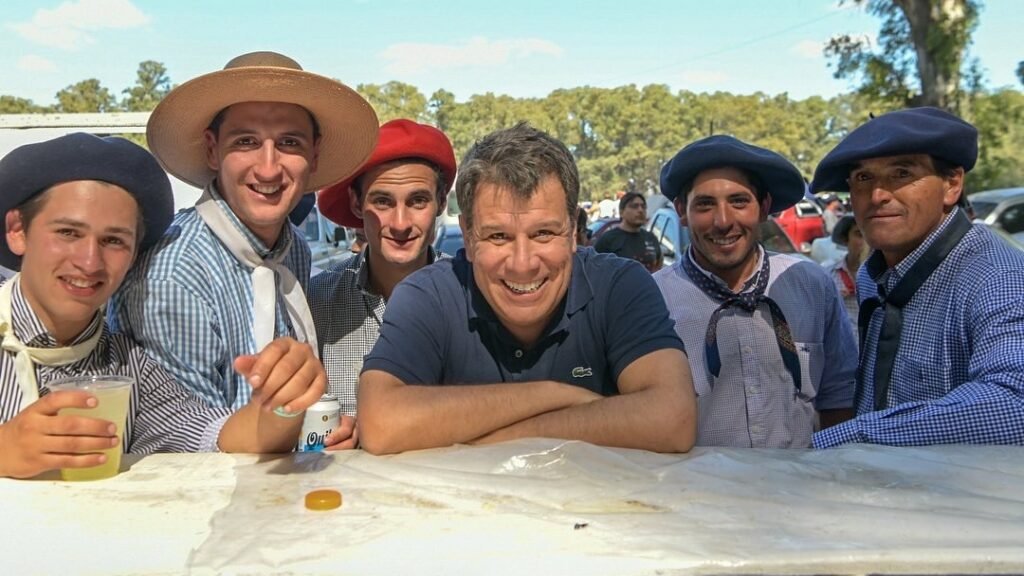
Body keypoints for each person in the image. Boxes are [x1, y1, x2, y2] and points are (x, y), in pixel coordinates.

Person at [0, 134, 328, 479]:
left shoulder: (130, 365)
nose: (89, 261)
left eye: (114, 240)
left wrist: (284, 400)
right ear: (18, 231)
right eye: (68, 233)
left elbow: (218, 436)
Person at [356, 123, 697, 455]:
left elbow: (673, 419)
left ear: (573, 230)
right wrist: (557, 395)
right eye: (498, 236)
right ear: (469, 236)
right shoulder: (427, 295)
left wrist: (491, 438)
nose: (523, 264)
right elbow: (381, 422)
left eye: (543, 234)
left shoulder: (619, 284)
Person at [110, 51, 377, 423]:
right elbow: (186, 447)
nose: (268, 169)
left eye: (290, 143)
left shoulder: (292, 249)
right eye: (246, 141)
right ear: (211, 150)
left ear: (313, 156)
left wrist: (317, 429)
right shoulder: (172, 277)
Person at [809, 107, 1024, 448]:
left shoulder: (998, 277)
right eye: (863, 178)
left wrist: (857, 435)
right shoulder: (873, 274)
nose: (878, 194)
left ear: (952, 184)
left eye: (901, 173)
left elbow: (1015, 404)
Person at [654, 135, 857, 448]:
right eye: (705, 204)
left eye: (739, 202)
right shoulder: (654, 301)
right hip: (695, 492)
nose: (723, 221)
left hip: (798, 487)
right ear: (682, 210)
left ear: (763, 208)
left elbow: (839, 395)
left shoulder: (811, 285)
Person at [308, 119, 456, 417]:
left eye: (417, 201)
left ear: (441, 203)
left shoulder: (472, 293)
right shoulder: (317, 302)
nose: (400, 224)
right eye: (383, 202)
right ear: (356, 203)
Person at [592, 191, 662, 272]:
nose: (640, 210)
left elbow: (658, 265)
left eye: (643, 206)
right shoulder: (608, 240)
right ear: (621, 212)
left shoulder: (650, 238)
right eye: (634, 206)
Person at [823, 214, 866, 335]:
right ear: (845, 239)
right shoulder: (828, 274)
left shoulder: (885, 277)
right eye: (859, 234)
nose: (867, 242)